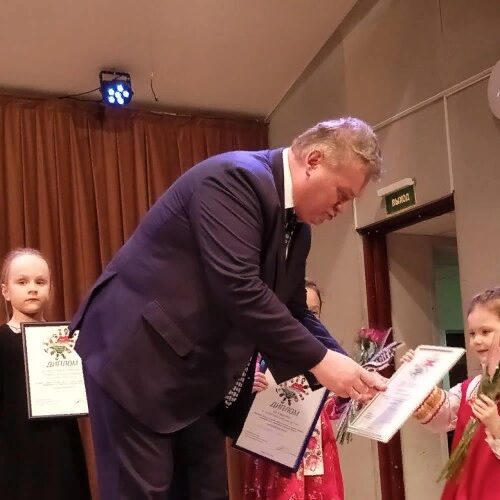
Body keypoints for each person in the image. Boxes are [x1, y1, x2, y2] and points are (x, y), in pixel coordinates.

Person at [70, 117, 386, 499]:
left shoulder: (298, 228)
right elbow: (239, 287)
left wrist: (350, 370)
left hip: (195, 379)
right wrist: (321, 361)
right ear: (314, 160)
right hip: (138, 359)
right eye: (342, 193)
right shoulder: (235, 179)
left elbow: (294, 310)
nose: (342, 208)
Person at [0, 248, 90, 499]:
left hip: (61, 451)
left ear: (50, 289)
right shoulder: (2, 341)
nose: (32, 288)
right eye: (22, 282)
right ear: (5, 291)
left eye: (40, 282)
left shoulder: (66, 340)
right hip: (15, 458)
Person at [244, 279, 344, 499]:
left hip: (317, 444)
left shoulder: (329, 357)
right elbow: (233, 400)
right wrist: (247, 388)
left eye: (314, 312)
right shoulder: (259, 350)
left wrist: (347, 395)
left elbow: (334, 409)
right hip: (272, 443)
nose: (306, 319)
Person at [402, 287, 500, 499]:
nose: (477, 340)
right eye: (472, 333)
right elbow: (442, 416)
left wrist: (496, 425)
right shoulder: (471, 387)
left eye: (486, 332)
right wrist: (416, 375)